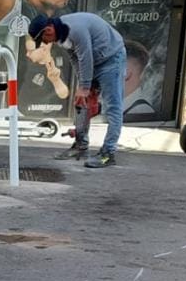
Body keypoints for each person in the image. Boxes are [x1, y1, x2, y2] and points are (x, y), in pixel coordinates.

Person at [30, 12, 127, 169]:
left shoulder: (75, 30)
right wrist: (83, 87)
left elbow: (85, 56)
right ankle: (81, 146)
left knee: (113, 107)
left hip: (111, 59)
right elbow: (74, 58)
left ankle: (108, 153)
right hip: (95, 61)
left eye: (43, 39)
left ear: (48, 30)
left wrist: (85, 87)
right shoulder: (60, 35)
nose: (45, 43)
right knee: (81, 103)